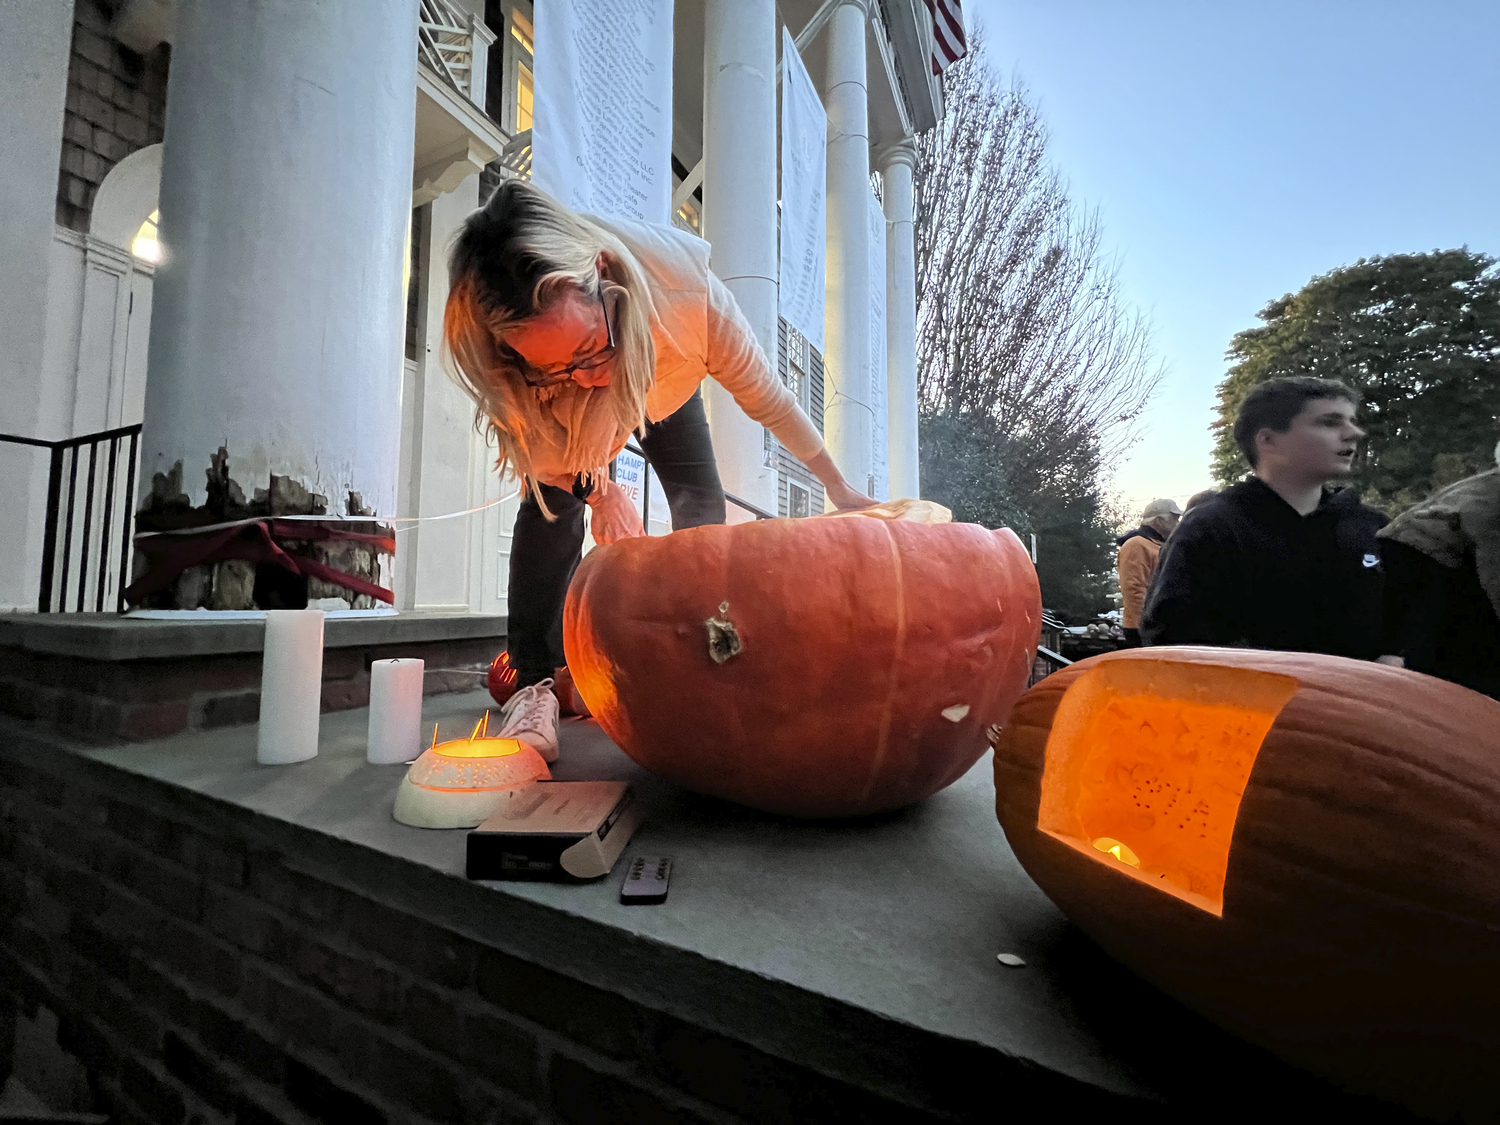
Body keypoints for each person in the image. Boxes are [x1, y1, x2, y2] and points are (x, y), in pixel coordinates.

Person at [442, 180, 874, 759]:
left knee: (700, 501)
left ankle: (700, 656)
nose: (588, 373)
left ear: (602, 275)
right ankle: (532, 679)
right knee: (550, 508)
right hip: (576, 422)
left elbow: (769, 398)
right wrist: (600, 491)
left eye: (590, 346)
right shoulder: (531, 374)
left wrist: (837, 485)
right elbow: (543, 459)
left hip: (664, 375)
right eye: (556, 365)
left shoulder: (688, 298)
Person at [1141, 376, 1399, 663]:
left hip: (1370, 703)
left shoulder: (1374, 528)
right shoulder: (1210, 530)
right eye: (1329, 422)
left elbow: (1410, 626)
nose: (1353, 433)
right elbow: (1172, 640)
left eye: (1351, 420)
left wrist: (1396, 657)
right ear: (1268, 440)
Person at [1378, 448, 1500, 700]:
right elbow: (1493, 566)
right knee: (1455, 681)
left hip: (1448, 562)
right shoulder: (1490, 500)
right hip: (1428, 560)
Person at [1116, 498, 1182, 647]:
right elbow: (1134, 588)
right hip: (1143, 628)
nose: (1178, 524)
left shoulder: (1156, 544)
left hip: (1157, 627)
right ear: (1159, 521)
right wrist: (1149, 624)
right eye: (1175, 519)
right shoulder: (1137, 545)